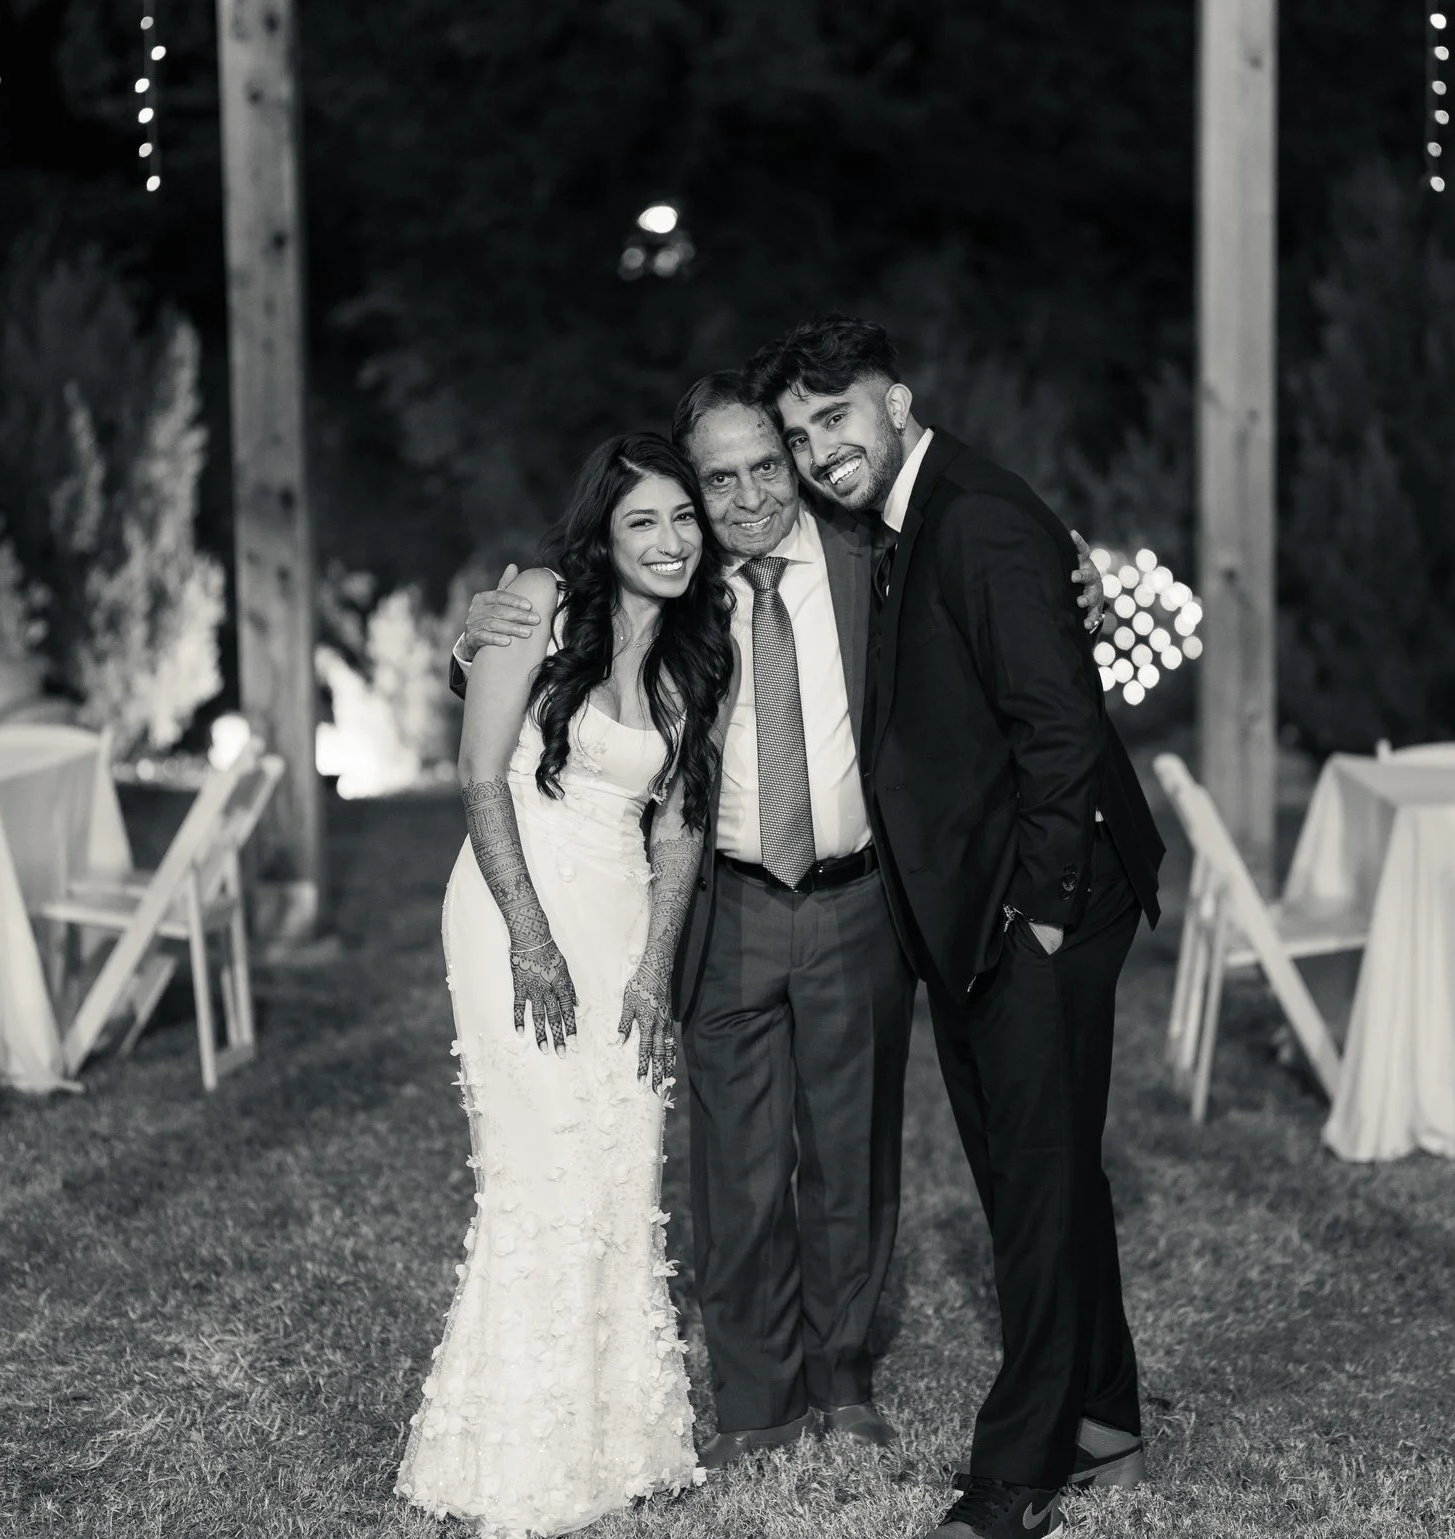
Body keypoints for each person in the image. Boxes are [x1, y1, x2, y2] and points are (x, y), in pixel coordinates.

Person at [453, 379, 1113, 1478]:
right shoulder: (679, 572)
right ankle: (756, 1398)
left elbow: (989, 562)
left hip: (862, 900)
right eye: (720, 478)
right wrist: (483, 623)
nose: (750, 494)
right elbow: (562, 641)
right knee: (738, 1166)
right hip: (726, 897)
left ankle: (843, 1378)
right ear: (695, 490)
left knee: (851, 1159)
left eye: (768, 464)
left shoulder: (871, 557)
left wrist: (1072, 573)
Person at [749, 315, 1164, 1539]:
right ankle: (1104, 1420)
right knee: (1038, 1174)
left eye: (835, 418)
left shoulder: (973, 513)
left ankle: (1015, 1471)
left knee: (1031, 1187)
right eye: (798, 433)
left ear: (896, 399)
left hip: (1039, 904)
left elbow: (1058, 727)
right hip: (978, 910)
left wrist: (1035, 912)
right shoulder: (904, 517)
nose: (820, 449)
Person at [398, 434, 735, 1539]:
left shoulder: (696, 650)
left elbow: (680, 825)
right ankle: (516, 1454)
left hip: (623, 910)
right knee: (540, 1165)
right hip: (513, 901)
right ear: (604, 533)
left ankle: (619, 1439)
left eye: (684, 518)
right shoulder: (538, 604)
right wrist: (531, 940)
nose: (671, 540)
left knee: (620, 1158)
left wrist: (654, 966)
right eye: (644, 521)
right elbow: (478, 772)